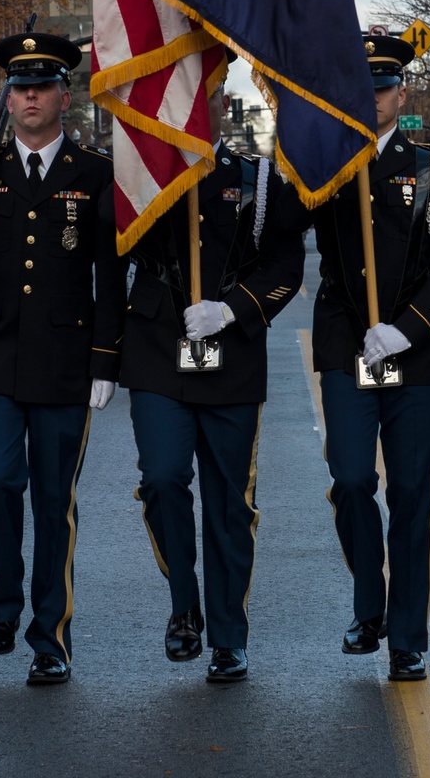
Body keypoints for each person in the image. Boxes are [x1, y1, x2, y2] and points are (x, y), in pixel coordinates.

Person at [0, 29, 122, 687]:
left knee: (52, 500)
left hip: (66, 360)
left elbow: (109, 277)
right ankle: (2, 602)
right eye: (20, 86)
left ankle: (50, 637)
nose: (30, 95)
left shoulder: (95, 174)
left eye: (42, 85)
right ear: (8, 99)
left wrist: (106, 362)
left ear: (63, 97)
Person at [286, 32, 430, 683]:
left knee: (413, 493)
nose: (375, 96)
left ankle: (407, 637)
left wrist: (409, 329)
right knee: (352, 481)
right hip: (345, 343)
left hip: (409, 352)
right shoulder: (327, 168)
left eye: (385, 85)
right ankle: (370, 607)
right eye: (361, 86)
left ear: (402, 91)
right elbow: (283, 226)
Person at [117, 75, 305, 684]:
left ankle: (228, 635)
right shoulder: (145, 174)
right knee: (164, 480)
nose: (203, 104)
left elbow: (287, 263)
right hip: (155, 351)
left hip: (231, 357)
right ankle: (184, 606)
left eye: (213, 93)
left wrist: (235, 309)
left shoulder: (255, 180)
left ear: (224, 105)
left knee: (230, 502)